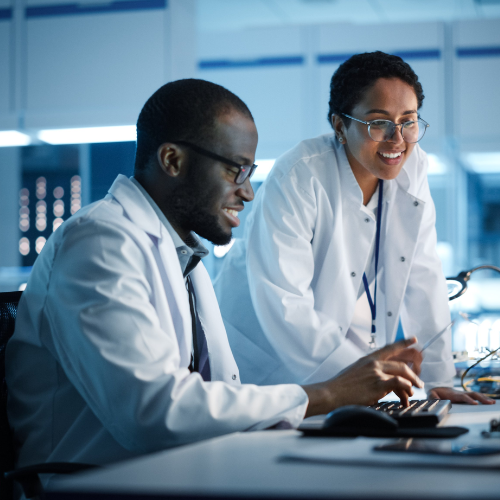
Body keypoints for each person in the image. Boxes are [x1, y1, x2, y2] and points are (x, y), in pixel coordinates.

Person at [6, 79, 424, 476]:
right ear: (172, 160)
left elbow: (215, 393)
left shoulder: (181, 256)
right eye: (235, 170)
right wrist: (330, 394)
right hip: (93, 483)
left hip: (181, 471)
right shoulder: (99, 242)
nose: (248, 192)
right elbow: (153, 411)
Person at [215, 52, 493, 405]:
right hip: (264, 369)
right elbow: (285, 305)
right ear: (339, 126)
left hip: (345, 372)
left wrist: (436, 379)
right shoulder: (298, 177)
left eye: (408, 121)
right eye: (379, 123)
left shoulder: (413, 167)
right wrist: (366, 376)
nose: (397, 139)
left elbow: (423, 276)